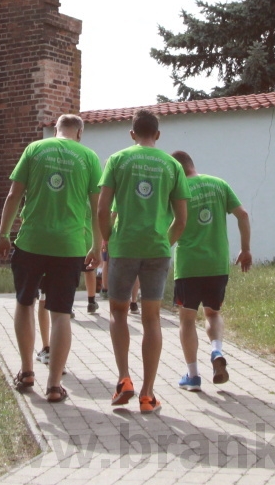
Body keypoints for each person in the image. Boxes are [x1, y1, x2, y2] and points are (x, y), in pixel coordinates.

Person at [0, 114, 102, 404]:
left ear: (55, 130)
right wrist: (97, 245)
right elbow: (97, 208)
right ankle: (54, 385)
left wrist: (4, 234)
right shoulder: (89, 157)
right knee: (61, 314)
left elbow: (14, 194)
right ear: (79, 133)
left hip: (31, 241)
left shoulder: (34, 149)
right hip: (69, 246)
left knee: (25, 303)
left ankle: (27, 371)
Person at [97, 109, 188, 414]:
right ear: (158, 135)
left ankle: (124, 378)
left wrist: (108, 238)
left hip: (124, 247)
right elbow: (181, 219)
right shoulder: (172, 164)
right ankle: (148, 395)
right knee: (151, 319)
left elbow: (102, 208)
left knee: (118, 311)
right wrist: (165, 242)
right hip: (157, 248)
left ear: (132, 133)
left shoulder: (118, 159)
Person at [170, 151, 252, 392]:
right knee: (212, 313)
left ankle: (193, 376)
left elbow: (175, 223)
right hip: (216, 264)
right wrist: (245, 249)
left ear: (176, 170)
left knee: (186, 319)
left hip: (189, 265)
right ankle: (216, 350)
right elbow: (243, 215)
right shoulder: (219, 184)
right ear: (192, 165)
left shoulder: (177, 190)